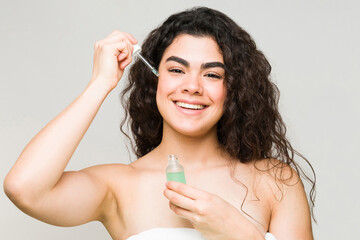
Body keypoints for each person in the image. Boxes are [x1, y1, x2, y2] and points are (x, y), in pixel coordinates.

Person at [4, 7, 316, 240]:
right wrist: (101, 82)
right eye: (177, 70)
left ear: (234, 88)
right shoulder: (119, 186)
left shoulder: (276, 182)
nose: (192, 86)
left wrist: (239, 232)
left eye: (212, 74)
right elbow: (25, 189)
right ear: (155, 80)